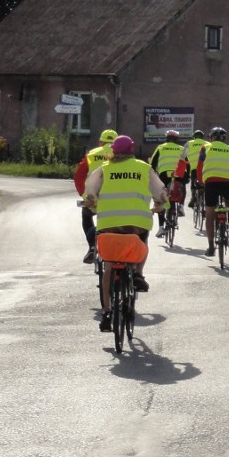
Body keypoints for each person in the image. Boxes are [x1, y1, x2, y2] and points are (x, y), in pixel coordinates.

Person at [83, 135, 169, 332]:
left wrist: (92, 202)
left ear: (113, 151)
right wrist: (161, 203)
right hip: (137, 223)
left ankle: (106, 313)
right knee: (142, 241)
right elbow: (160, 191)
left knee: (109, 267)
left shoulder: (104, 168)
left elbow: (90, 189)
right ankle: (138, 274)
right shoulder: (143, 168)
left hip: (109, 224)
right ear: (132, 151)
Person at [195, 127, 229, 257]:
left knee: (209, 213)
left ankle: (211, 247)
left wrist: (200, 180)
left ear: (211, 138)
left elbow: (200, 165)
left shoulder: (205, 148)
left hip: (211, 181)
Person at [73, 129, 117, 264]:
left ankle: (92, 247)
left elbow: (79, 176)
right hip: (115, 197)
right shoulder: (121, 155)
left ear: (100, 142)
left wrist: (85, 195)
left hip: (94, 197)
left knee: (86, 216)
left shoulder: (92, 154)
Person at [149, 130, 184, 237]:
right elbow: (187, 164)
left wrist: (154, 176)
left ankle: (160, 228)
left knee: (162, 200)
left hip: (164, 175)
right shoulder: (182, 149)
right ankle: (181, 206)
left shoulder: (161, 147)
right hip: (178, 174)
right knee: (181, 187)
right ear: (177, 140)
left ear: (167, 139)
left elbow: (152, 164)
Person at [181, 130, 208, 209]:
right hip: (205, 167)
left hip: (193, 168)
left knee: (194, 183)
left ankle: (193, 197)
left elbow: (182, 156)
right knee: (205, 183)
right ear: (202, 137)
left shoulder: (189, 143)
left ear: (194, 137)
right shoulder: (207, 144)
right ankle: (204, 196)